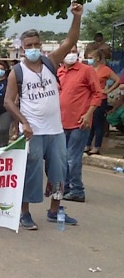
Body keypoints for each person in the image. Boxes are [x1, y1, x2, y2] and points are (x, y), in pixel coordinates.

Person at [3, 2, 84, 230]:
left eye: (37, 44)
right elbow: (8, 101)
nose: (34, 48)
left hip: (55, 130)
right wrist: (24, 123)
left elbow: (70, 41)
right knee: (31, 172)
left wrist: (76, 17)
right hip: (32, 133)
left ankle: (54, 210)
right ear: (22, 48)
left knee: (60, 172)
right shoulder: (16, 72)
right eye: (29, 45)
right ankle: (24, 212)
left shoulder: (50, 62)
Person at [58, 46, 102, 203]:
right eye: (67, 51)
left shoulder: (86, 70)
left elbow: (98, 94)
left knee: (72, 158)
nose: (70, 54)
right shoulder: (60, 72)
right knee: (62, 158)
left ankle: (77, 190)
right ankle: (67, 188)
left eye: (73, 51)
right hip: (61, 122)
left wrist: (88, 114)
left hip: (80, 122)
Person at [85, 48, 119, 155]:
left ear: (98, 59)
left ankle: (97, 146)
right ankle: (87, 144)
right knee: (89, 122)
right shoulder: (88, 69)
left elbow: (117, 79)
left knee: (98, 124)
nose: (89, 60)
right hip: (89, 100)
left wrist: (108, 90)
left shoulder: (105, 69)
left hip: (100, 99)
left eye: (91, 58)